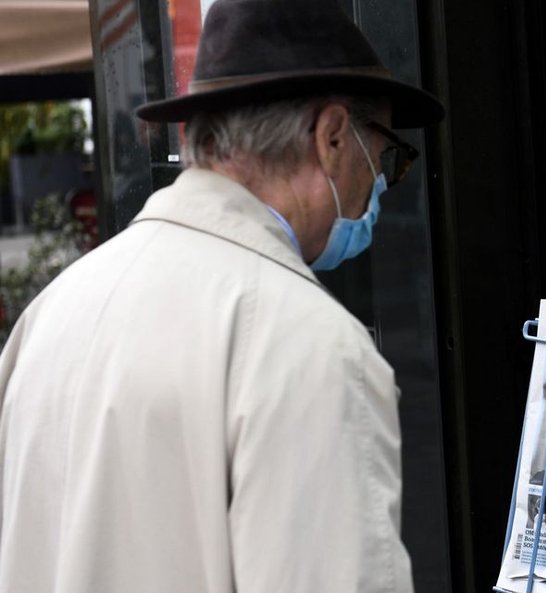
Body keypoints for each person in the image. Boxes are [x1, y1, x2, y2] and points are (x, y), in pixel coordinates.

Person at [0, 0, 443, 592]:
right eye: (387, 153)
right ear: (333, 135)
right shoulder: (308, 344)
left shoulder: (51, 311)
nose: (383, 180)